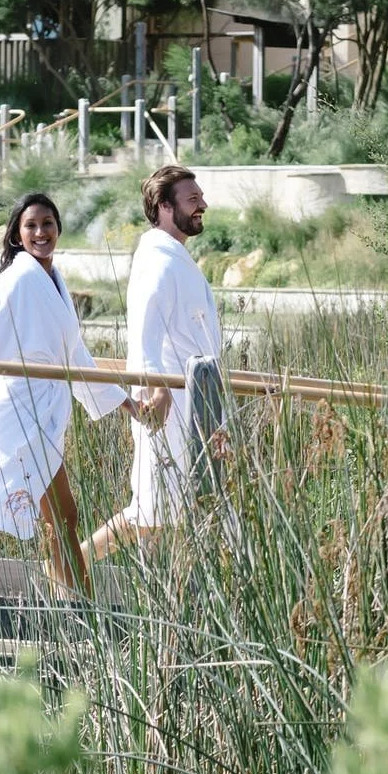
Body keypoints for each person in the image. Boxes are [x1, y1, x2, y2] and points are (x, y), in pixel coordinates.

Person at [0, 192, 140, 595]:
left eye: (48, 224)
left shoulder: (53, 281)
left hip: (44, 418)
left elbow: (76, 357)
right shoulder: (16, 282)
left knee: (63, 517)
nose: (41, 232)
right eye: (31, 226)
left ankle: (78, 608)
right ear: (18, 235)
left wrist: (126, 403)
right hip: (13, 416)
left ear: (57, 229)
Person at [83, 165, 222, 563]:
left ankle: (166, 604)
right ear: (163, 206)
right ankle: (67, 568)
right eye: (192, 200)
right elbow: (145, 329)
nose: (203, 206)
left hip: (193, 402)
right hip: (166, 405)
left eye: (201, 198)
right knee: (150, 510)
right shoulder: (157, 259)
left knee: (170, 510)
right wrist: (156, 386)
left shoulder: (175, 257)